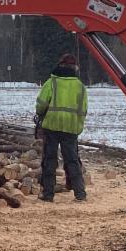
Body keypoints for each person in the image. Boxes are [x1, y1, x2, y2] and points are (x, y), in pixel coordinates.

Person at [35, 52, 88, 202]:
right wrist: (78, 125)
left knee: (49, 159)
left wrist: (40, 115)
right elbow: (83, 109)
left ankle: (48, 194)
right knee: (72, 160)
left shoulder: (51, 83)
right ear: (75, 68)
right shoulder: (80, 86)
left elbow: (41, 104)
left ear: (60, 65)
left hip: (52, 126)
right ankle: (80, 193)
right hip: (71, 127)